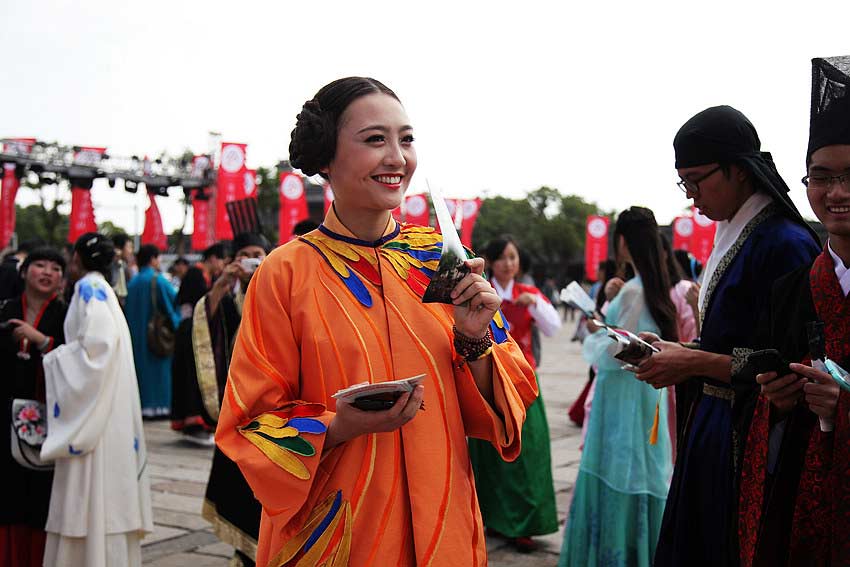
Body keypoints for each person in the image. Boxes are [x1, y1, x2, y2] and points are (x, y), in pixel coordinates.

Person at [214, 77, 537, 566]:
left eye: (405, 139)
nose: (397, 158)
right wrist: (334, 426)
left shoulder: (443, 258)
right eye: (374, 140)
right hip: (337, 528)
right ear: (326, 156)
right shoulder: (284, 273)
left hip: (443, 512)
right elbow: (249, 422)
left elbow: (509, 404)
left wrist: (473, 338)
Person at [635, 106, 820, 567]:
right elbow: (733, 340)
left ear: (738, 171)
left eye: (697, 180)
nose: (691, 197)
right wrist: (683, 352)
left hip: (751, 435)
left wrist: (693, 362)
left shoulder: (784, 242)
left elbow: (790, 364)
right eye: (685, 184)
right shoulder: (735, 232)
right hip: (715, 421)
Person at [737, 55, 850, 567]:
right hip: (802, 493)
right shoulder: (792, 289)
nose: (837, 193)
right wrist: (778, 401)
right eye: (821, 177)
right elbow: (768, 411)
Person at [560, 207, 676, 566]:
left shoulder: (631, 293)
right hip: (646, 398)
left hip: (621, 404)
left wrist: (595, 330)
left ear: (622, 242)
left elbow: (610, 354)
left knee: (619, 472)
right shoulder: (655, 289)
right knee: (645, 473)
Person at [39, 232, 153, 567]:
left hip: (95, 412)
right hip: (108, 406)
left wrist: (52, 356)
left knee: (90, 489)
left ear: (76, 258)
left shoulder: (88, 289)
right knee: (106, 493)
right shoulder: (102, 289)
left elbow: (96, 351)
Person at [469, 236, 561, 552]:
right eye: (504, 258)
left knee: (527, 453)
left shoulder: (528, 294)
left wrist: (535, 304)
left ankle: (525, 523)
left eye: (514, 258)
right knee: (488, 451)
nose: (510, 264)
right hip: (486, 376)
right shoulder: (479, 289)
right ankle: (493, 517)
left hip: (522, 380)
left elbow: (554, 328)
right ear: (491, 262)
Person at [198, 232, 271, 566]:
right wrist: (220, 285)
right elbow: (207, 328)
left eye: (259, 253)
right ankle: (244, 553)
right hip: (239, 407)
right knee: (239, 487)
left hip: (276, 406)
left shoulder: (280, 290)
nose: (253, 260)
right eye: (245, 255)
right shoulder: (229, 297)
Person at [0, 247, 66, 567]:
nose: (47, 271)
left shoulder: (67, 315)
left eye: (55, 268)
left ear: (62, 280)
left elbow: (80, 363)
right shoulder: (5, 310)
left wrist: (42, 341)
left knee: (42, 499)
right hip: (5, 419)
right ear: (24, 272)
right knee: (7, 495)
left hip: (52, 422)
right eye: (39, 264)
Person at [125, 244, 181, 418]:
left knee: (140, 372)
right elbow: (173, 304)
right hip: (156, 337)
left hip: (135, 336)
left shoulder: (133, 282)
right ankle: (160, 407)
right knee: (159, 373)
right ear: (152, 259)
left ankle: (143, 406)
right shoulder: (158, 280)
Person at [169, 266, 214, 444]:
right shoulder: (201, 300)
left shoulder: (182, 297)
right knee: (193, 379)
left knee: (182, 377)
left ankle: (184, 421)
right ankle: (195, 423)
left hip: (182, 333)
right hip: (195, 334)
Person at [110, 233, 135, 307]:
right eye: (129, 247)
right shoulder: (111, 265)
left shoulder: (123, 265)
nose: (131, 251)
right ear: (118, 248)